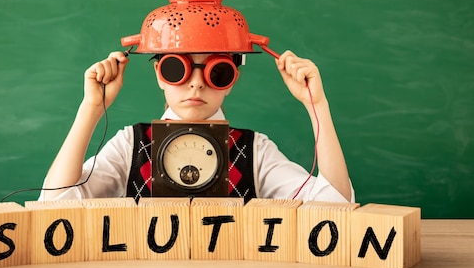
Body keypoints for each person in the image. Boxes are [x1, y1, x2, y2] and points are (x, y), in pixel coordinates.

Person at [39, 50, 353, 203]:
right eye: (178, 68)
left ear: (231, 81)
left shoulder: (253, 150)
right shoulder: (130, 145)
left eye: (217, 72)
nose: (196, 84)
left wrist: (317, 106)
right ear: (160, 76)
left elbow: (334, 205)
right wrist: (91, 109)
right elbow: (54, 203)